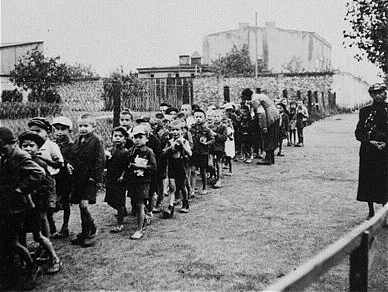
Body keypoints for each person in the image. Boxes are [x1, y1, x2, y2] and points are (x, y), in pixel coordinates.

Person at [0, 127, 45, 289]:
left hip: (16, 207)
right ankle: (12, 269)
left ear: (12, 143)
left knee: (12, 242)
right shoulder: (7, 155)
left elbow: (39, 173)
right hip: (6, 205)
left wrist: (21, 189)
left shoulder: (20, 156)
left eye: (3, 147)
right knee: (8, 241)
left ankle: (33, 267)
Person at [18, 131, 62, 275]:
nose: (28, 149)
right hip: (23, 203)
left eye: (32, 146)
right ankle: (24, 261)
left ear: (38, 148)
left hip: (37, 202)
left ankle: (54, 257)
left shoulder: (39, 164)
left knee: (38, 234)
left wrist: (39, 196)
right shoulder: (20, 163)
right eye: (25, 146)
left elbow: (48, 184)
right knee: (21, 232)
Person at [70, 114, 105, 247]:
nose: (83, 128)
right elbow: (73, 155)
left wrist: (95, 177)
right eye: (80, 126)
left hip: (90, 179)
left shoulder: (97, 140)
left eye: (86, 126)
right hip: (79, 178)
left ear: (93, 127)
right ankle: (85, 231)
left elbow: (100, 160)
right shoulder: (78, 139)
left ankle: (92, 228)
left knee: (84, 205)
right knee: (80, 206)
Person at [355, 83, 388, 219]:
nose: (382, 94)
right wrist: (369, 141)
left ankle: (385, 214)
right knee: (368, 179)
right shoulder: (365, 111)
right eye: (378, 92)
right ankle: (371, 211)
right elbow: (358, 132)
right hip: (369, 151)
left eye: (383, 92)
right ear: (372, 95)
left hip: (385, 151)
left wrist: (386, 143)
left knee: (385, 180)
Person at [28, 117, 64, 236]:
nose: (34, 134)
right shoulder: (29, 145)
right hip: (33, 181)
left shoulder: (51, 146)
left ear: (47, 132)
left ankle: (46, 239)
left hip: (47, 181)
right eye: (32, 131)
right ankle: (46, 235)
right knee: (36, 212)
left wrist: (44, 159)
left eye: (38, 131)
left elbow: (60, 164)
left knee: (45, 211)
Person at [123, 125, 156, 239]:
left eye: (140, 137)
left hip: (144, 181)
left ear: (146, 138)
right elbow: (127, 165)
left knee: (140, 204)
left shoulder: (149, 152)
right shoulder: (132, 151)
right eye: (135, 137)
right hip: (133, 180)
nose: (137, 140)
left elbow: (153, 167)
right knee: (136, 203)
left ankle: (139, 229)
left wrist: (141, 166)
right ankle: (145, 217)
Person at [162, 120, 192, 217]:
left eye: (177, 130)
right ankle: (170, 206)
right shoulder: (169, 141)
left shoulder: (184, 141)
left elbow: (190, 153)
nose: (175, 132)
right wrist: (170, 147)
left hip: (181, 164)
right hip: (172, 165)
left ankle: (185, 203)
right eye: (173, 130)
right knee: (172, 186)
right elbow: (164, 152)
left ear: (182, 131)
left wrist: (182, 145)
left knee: (182, 186)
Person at [51, 116, 74, 239]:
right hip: (53, 176)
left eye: (63, 129)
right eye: (57, 129)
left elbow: (73, 161)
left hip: (65, 177)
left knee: (65, 201)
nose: (59, 132)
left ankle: (65, 227)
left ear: (69, 131)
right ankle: (51, 226)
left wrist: (67, 163)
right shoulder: (52, 144)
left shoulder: (71, 145)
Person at [105, 126, 129, 233]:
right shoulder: (112, 151)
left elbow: (127, 167)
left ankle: (120, 224)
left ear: (125, 139)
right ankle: (122, 211)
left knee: (120, 201)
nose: (118, 138)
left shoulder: (125, 152)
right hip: (111, 179)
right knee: (109, 199)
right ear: (112, 138)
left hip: (120, 180)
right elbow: (107, 165)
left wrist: (123, 176)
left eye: (120, 136)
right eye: (115, 136)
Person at [190, 109, 215, 195]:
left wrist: (206, 143)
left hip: (203, 152)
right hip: (194, 152)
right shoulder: (191, 129)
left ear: (204, 118)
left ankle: (204, 187)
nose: (198, 119)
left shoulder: (206, 129)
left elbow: (212, 139)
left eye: (200, 117)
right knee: (192, 170)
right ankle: (192, 189)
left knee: (203, 171)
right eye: (196, 117)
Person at [251, 93, 280, 165]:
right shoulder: (259, 95)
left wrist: (263, 126)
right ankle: (271, 158)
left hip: (270, 117)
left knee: (267, 137)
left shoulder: (254, 99)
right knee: (272, 137)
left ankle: (268, 159)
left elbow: (262, 113)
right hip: (275, 115)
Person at [210, 110, 227, 187]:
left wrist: (216, 135)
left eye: (218, 116)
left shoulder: (223, 127)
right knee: (211, 163)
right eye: (214, 116)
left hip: (219, 148)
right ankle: (214, 176)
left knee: (218, 163)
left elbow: (224, 137)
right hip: (211, 147)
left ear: (221, 117)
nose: (216, 118)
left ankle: (219, 180)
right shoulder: (210, 126)